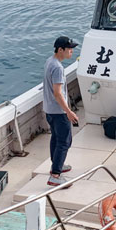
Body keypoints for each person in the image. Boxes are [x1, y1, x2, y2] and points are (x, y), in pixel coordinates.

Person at [44, 35, 79, 186]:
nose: (71, 52)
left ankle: (56, 165)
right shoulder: (58, 68)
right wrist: (69, 112)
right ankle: (55, 175)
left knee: (56, 138)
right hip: (58, 112)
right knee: (65, 141)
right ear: (60, 49)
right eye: (69, 49)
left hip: (49, 110)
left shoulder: (50, 61)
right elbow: (58, 93)